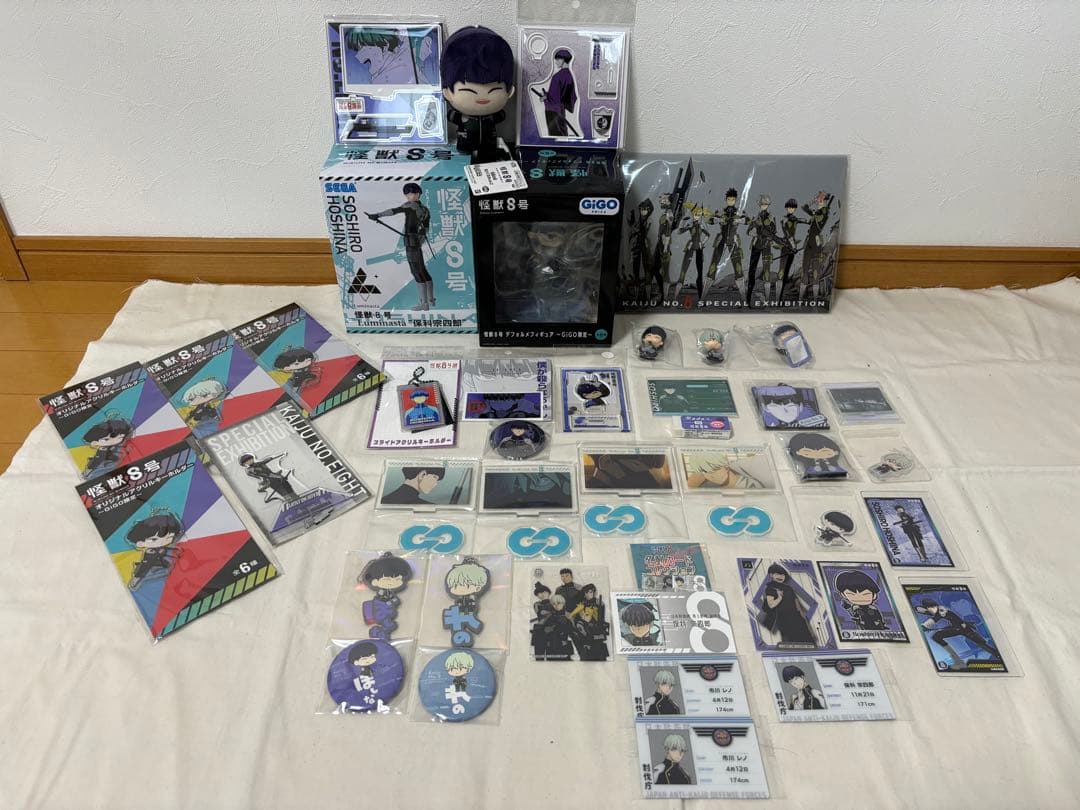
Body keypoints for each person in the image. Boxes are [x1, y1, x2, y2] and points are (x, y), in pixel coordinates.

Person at [441, 26, 515, 159]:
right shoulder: (462, 117)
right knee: (464, 151)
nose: (482, 97)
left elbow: (501, 116)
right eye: (469, 90)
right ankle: (465, 149)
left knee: (489, 152)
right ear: (447, 93)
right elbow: (451, 117)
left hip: (490, 143)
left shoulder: (491, 117)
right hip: (465, 140)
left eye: (494, 90)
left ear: (509, 91)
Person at [367, 183, 434, 310]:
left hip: (411, 241)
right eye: (407, 194)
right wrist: (420, 238)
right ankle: (431, 300)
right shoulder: (425, 209)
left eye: (411, 194)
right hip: (416, 241)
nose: (409, 196)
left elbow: (393, 211)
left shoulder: (410, 207)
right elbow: (425, 228)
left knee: (416, 271)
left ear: (418, 194)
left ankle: (424, 304)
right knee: (422, 270)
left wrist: (378, 215)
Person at [916, 598, 1001, 668]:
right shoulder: (934, 610)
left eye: (930, 608)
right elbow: (924, 611)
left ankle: (997, 654)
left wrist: (925, 626)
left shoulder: (941, 610)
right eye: (928, 608)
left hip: (963, 628)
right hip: (956, 628)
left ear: (933, 606)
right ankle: (955, 657)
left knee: (981, 644)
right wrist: (923, 618)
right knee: (937, 636)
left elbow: (935, 618)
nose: (930, 610)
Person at [126, 510, 184, 591]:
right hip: (150, 564)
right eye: (154, 539)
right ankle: (135, 580)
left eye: (170, 537)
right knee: (143, 569)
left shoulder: (165, 548)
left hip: (161, 563)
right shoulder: (149, 552)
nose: (163, 541)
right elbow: (146, 565)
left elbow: (168, 550)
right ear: (140, 543)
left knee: (167, 565)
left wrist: (176, 550)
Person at [539, 48, 578, 137]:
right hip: (561, 111)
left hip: (553, 112)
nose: (556, 62)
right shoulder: (569, 75)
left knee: (555, 134)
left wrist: (545, 97)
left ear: (563, 59)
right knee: (562, 133)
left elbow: (553, 98)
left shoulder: (557, 77)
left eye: (557, 59)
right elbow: (571, 96)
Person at [676, 206, 710, 299]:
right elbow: (679, 232)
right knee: (684, 269)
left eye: (698, 215)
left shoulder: (702, 225)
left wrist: (702, 243)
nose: (697, 216)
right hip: (690, 246)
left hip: (699, 248)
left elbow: (708, 235)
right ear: (693, 214)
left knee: (700, 271)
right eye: (695, 214)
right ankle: (675, 297)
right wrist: (682, 221)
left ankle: (700, 297)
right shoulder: (690, 223)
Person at [756, 384, 826, 429]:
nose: (784, 409)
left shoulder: (810, 417)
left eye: (790, 405)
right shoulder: (770, 422)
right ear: (766, 408)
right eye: (775, 406)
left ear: (800, 406)